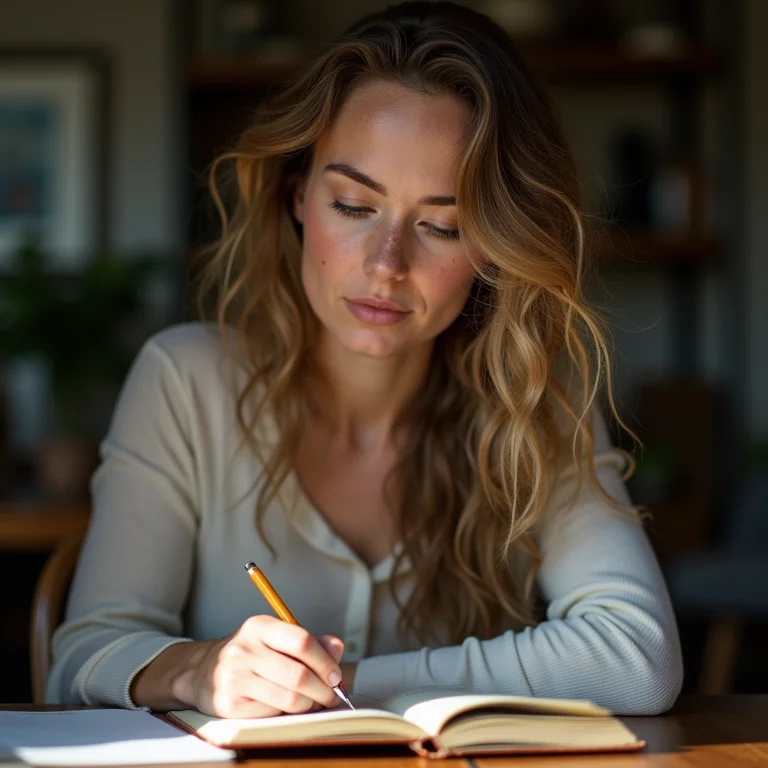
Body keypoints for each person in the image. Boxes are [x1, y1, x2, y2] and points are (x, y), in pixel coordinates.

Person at [47, 1, 683, 717]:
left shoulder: (535, 397)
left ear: (495, 249)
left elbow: (638, 657)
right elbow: (80, 659)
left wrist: (351, 689)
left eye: (443, 225)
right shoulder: (185, 381)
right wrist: (200, 671)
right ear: (297, 197)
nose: (386, 266)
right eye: (353, 205)